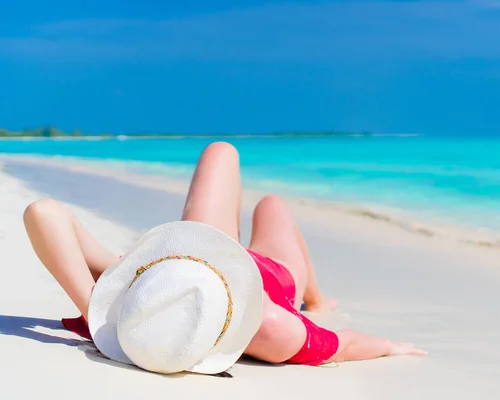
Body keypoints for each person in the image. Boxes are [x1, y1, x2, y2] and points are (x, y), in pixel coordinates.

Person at [23, 141, 426, 367]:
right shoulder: (271, 329)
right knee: (272, 206)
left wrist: (96, 314)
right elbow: (345, 344)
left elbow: (43, 212)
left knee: (221, 151)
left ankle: (317, 297)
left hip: (192, 259)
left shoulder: (140, 305)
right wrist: (392, 345)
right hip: (273, 276)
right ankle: (317, 299)